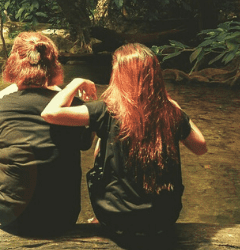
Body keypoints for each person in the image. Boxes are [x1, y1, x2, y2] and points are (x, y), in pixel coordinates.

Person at [41, 43, 208, 236]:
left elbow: (50, 113)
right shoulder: (170, 112)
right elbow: (200, 147)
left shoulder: (107, 111)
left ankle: (100, 218)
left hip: (117, 218)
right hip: (164, 218)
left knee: (103, 140)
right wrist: (177, 109)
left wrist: (76, 82)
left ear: (119, 75)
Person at [0, 31, 91, 235]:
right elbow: (85, 142)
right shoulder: (72, 106)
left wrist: (1, 94)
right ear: (54, 66)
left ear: (13, 65)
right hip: (63, 216)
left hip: (12, 217)